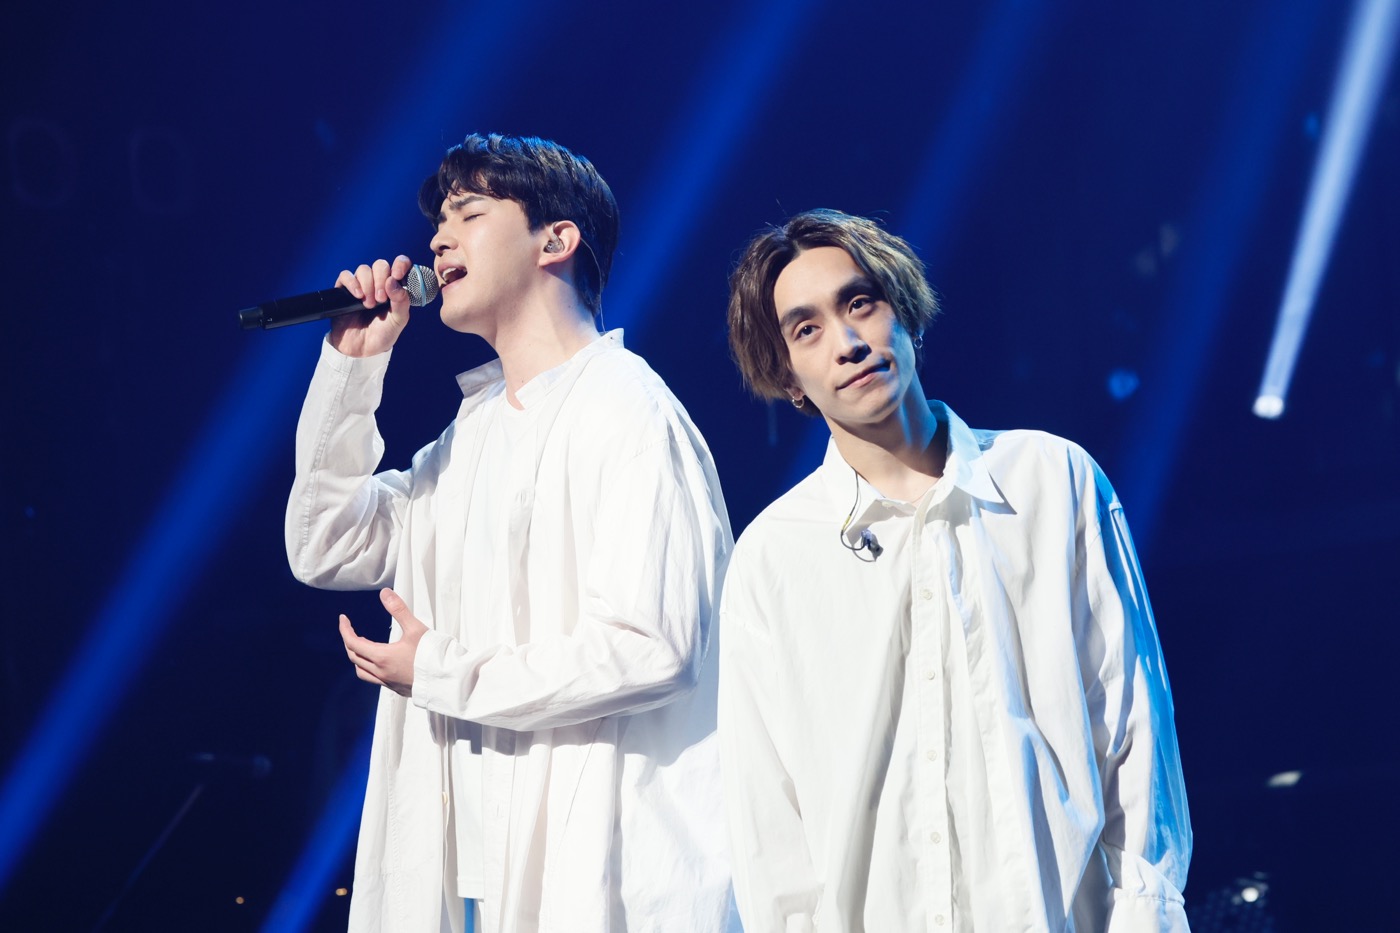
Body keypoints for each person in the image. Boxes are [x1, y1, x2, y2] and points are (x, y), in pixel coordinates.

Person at [286, 133, 734, 933]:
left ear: (555, 240)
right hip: (473, 883)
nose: (436, 241)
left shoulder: (629, 411)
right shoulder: (468, 440)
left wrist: (441, 670)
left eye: (469, 214)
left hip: (598, 879)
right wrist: (351, 369)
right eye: (439, 223)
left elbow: (654, 646)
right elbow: (325, 541)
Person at [719, 208, 1192, 932]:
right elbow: (767, 821)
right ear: (788, 376)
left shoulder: (1051, 479)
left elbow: (1132, 728)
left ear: (903, 311)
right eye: (806, 329)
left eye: (859, 303)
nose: (847, 343)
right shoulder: (773, 556)